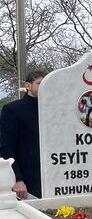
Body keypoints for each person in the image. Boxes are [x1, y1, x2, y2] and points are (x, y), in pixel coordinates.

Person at [0, 70, 45, 199]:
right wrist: (17, 179)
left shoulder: (53, 109)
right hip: (27, 180)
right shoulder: (13, 110)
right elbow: (6, 147)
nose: (43, 87)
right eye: (39, 83)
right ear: (27, 85)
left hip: (52, 178)